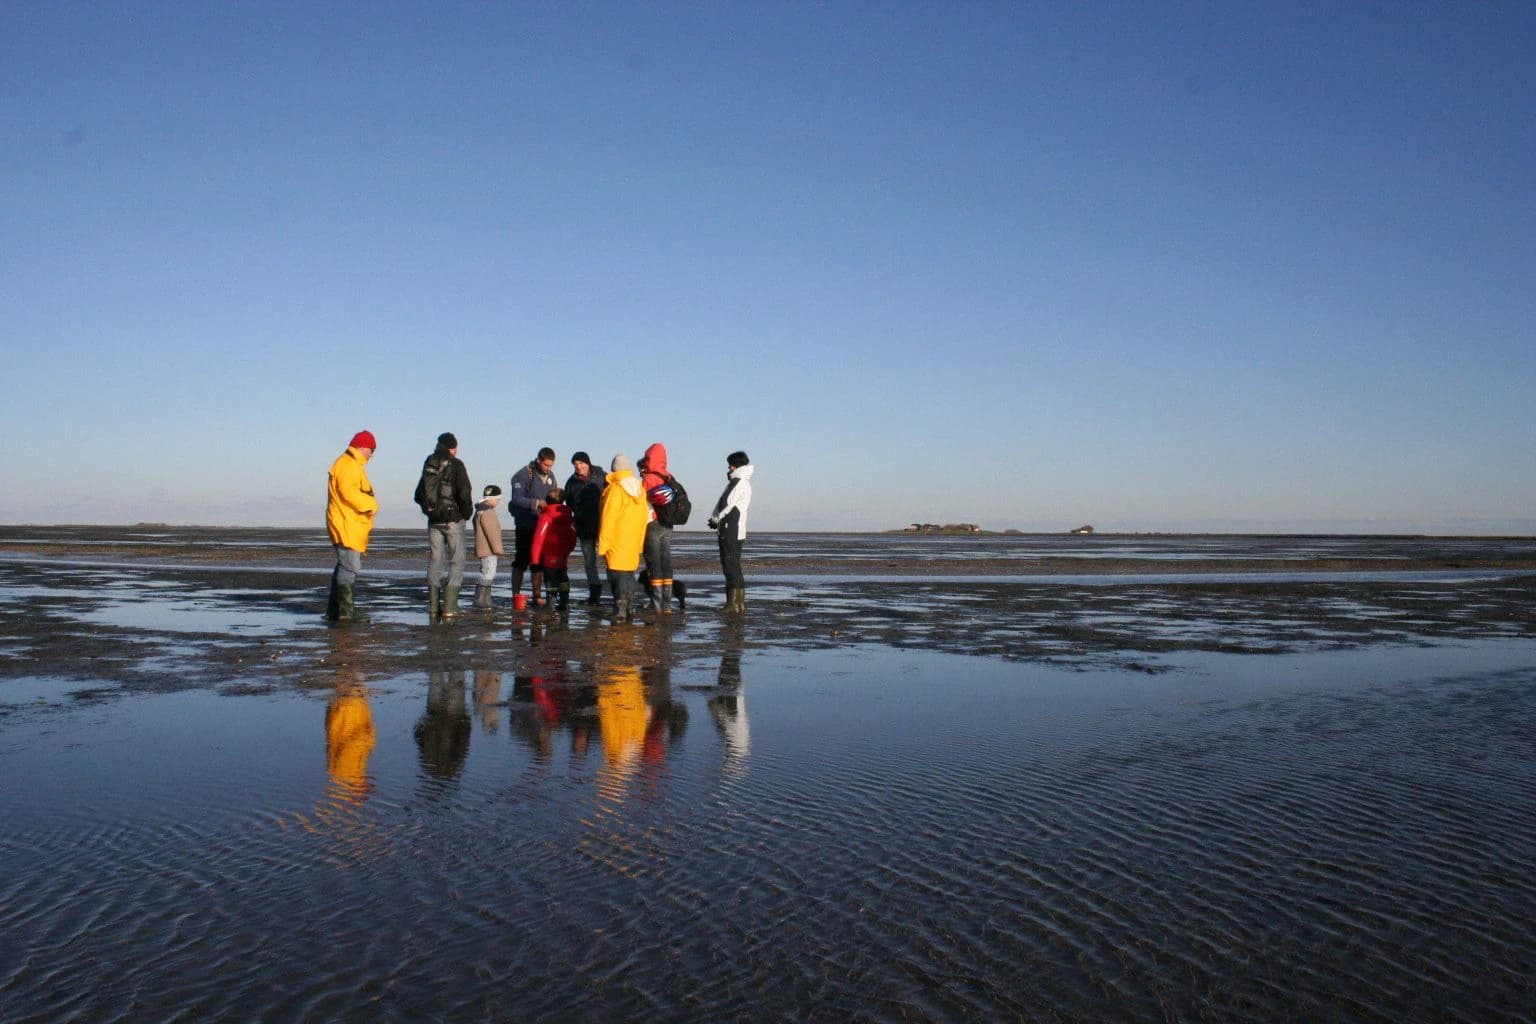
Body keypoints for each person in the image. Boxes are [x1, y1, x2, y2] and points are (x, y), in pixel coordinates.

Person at [414, 432, 473, 621]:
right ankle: (449, 606)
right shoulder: (457, 464)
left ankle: (433, 607)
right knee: (457, 560)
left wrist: (428, 510)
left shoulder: (429, 463)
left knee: (435, 560)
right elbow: (464, 492)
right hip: (453, 520)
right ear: (453, 447)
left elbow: (418, 494)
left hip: (434, 521)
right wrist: (466, 513)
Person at [326, 430, 379, 623]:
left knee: (345, 566)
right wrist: (371, 505)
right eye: (372, 450)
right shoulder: (348, 464)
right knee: (350, 567)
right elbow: (348, 492)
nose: (372, 454)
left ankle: (335, 611)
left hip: (349, 524)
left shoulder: (350, 464)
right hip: (346, 525)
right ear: (363, 447)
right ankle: (345, 613)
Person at [597, 453, 648, 622]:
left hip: (616, 541)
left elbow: (608, 518)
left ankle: (619, 611)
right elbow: (643, 519)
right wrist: (640, 542)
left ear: (614, 469)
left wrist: (603, 543)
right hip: (632, 541)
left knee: (616, 576)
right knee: (628, 575)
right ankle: (627, 609)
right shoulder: (640, 491)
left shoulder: (615, 489)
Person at [509, 447, 558, 608]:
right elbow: (516, 499)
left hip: (543, 527)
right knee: (521, 561)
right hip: (525, 525)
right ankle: (516, 594)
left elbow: (555, 496)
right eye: (546, 465)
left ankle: (537, 596)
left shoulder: (551, 477)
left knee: (538, 562)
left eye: (551, 466)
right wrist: (536, 503)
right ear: (539, 460)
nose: (548, 469)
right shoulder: (523, 475)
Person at [707, 451, 754, 613]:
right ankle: (739, 604)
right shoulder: (741, 482)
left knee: (730, 565)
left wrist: (716, 518)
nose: (728, 467)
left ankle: (733, 604)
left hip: (731, 528)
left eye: (730, 464)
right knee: (734, 565)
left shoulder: (738, 482)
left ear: (736, 466)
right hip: (735, 528)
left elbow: (728, 504)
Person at [638, 442, 678, 613]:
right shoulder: (669, 476)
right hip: (668, 524)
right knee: (666, 561)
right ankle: (667, 606)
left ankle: (656, 605)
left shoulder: (648, 479)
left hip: (652, 524)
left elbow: (639, 503)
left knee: (654, 563)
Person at [564, 451, 605, 605]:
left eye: (581, 463)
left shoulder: (602, 476)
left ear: (588, 463)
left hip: (604, 525)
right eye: (575, 464)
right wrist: (573, 523)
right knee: (589, 562)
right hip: (584, 526)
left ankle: (618, 591)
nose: (578, 466)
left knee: (610, 559)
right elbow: (569, 505)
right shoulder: (571, 482)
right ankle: (594, 593)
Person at [530, 487, 578, 611]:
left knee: (550, 579)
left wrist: (535, 561)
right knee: (562, 577)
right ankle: (564, 602)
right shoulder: (567, 516)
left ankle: (551, 604)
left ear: (547, 500)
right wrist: (568, 550)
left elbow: (538, 539)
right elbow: (572, 536)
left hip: (549, 555)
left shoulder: (545, 516)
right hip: (562, 555)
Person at [472, 484, 504, 610]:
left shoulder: (480, 510)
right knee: (488, 573)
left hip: (483, 547)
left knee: (486, 571)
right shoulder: (488, 511)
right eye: (497, 499)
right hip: (488, 549)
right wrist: (497, 549)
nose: (498, 502)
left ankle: (485, 600)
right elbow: (492, 533)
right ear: (492, 499)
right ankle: (481, 600)